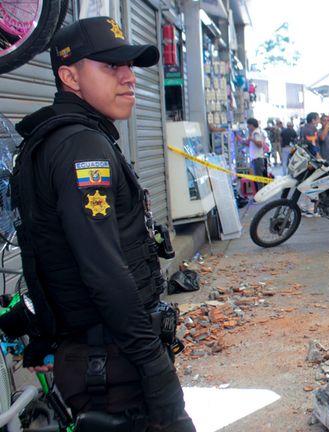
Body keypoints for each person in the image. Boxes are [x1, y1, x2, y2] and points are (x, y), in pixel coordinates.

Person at [12, 17, 194, 431]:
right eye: (111, 67)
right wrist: (154, 365)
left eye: (129, 66)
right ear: (69, 76)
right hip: (114, 364)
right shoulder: (82, 145)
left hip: (99, 356)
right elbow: (102, 269)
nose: (129, 78)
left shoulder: (56, 136)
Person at [241, 118, 267, 187]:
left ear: (252, 125)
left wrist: (252, 139)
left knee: (259, 180)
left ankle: (261, 196)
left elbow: (260, 144)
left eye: (248, 125)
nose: (248, 127)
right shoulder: (254, 133)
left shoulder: (256, 133)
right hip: (255, 158)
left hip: (257, 159)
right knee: (258, 179)